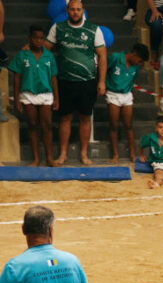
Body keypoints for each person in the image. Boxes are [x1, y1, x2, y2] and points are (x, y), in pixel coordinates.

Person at [44, 0, 107, 166]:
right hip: (64, 81)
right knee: (65, 118)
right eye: (72, 9)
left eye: (78, 9)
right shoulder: (57, 28)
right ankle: (63, 154)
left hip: (87, 82)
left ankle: (83, 154)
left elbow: (102, 56)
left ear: (83, 10)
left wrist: (101, 81)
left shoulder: (94, 29)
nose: (75, 12)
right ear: (67, 10)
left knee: (85, 118)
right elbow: (45, 49)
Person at [9, 25, 59, 167]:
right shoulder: (21, 55)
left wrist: (57, 98)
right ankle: (36, 159)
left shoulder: (49, 56)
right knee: (32, 124)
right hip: (28, 93)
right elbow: (17, 77)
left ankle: (49, 158)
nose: (38, 41)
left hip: (46, 93)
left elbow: (54, 78)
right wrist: (17, 98)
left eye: (41, 38)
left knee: (47, 125)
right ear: (30, 38)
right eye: (35, 38)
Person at [106, 43, 149, 163]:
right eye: (139, 60)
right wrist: (102, 84)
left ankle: (132, 153)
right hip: (113, 94)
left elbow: (131, 78)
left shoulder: (135, 67)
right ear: (134, 54)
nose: (139, 63)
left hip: (127, 95)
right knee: (113, 125)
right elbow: (103, 69)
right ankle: (115, 154)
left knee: (128, 125)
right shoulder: (115, 57)